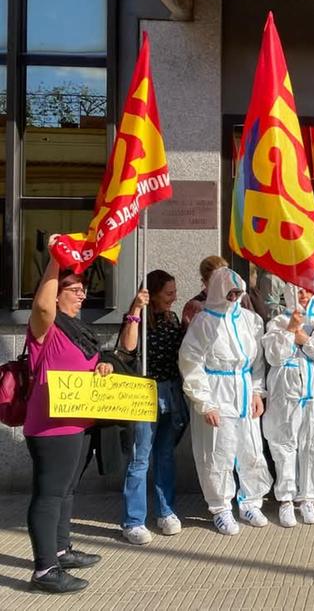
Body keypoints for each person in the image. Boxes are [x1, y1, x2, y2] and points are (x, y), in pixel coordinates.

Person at [24, 237, 112, 593]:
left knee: (66, 491)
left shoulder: (78, 331)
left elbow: (83, 367)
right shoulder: (47, 327)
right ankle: (45, 570)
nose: (81, 294)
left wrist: (102, 367)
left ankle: (61, 549)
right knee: (48, 494)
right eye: (73, 289)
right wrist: (57, 261)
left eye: (82, 288)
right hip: (51, 426)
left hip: (78, 423)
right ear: (56, 294)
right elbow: (42, 307)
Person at [178, 267, 272, 535]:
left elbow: (256, 363)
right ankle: (220, 507)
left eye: (237, 293)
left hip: (243, 390)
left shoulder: (250, 321)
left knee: (251, 448)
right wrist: (204, 402)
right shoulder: (204, 322)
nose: (233, 297)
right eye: (229, 292)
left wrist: (257, 391)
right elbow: (191, 363)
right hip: (217, 389)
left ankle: (251, 501)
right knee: (218, 452)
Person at [262, 284, 314, 527]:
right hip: (286, 393)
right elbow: (274, 356)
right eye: (298, 291)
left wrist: (306, 340)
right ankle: (286, 499)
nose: (304, 295)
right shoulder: (277, 322)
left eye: (308, 291)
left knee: (313, 443)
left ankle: (308, 497)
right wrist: (290, 330)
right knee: (285, 443)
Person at [120, 270, 188, 545]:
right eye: (169, 293)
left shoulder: (173, 319)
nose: (174, 298)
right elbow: (127, 348)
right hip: (145, 393)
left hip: (170, 392)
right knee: (140, 459)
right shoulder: (138, 321)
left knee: (165, 456)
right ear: (154, 293)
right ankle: (133, 520)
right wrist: (136, 309)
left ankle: (165, 511)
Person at [181, 255, 255, 328]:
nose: (221, 284)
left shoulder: (240, 297)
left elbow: (252, 326)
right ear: (204, 282)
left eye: (224, 278)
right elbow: (190, 335)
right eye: (216, 281)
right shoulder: (195, 306)